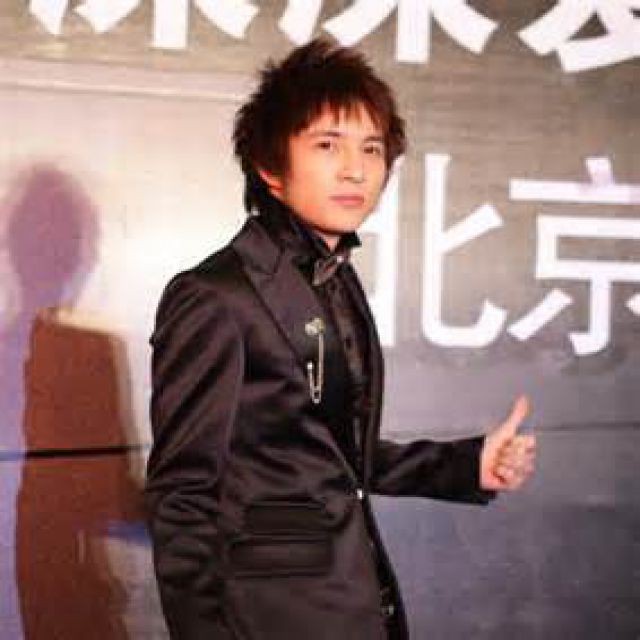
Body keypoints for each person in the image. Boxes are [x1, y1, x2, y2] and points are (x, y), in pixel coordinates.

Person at [145, 39, 536, 640]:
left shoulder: (337, 279)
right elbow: (181, 496)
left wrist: (465, 466)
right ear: (270, 166)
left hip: (355, 600)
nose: (355, 169)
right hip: (270, 616)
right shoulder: (215, 297)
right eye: (327, 145)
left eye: (371, 149)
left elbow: (329, 453)